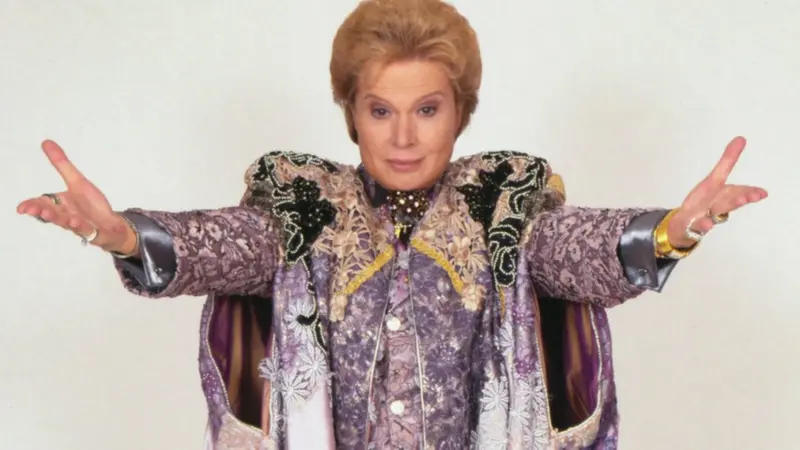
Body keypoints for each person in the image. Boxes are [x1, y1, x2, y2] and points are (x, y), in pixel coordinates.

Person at [16, 0, 767, 448]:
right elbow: (223, 245)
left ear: (460, 112)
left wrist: (669, 232)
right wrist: (122, 236)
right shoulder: (303, 208)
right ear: (352, 114)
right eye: (381, 111)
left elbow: (574, 251)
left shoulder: (501, 204)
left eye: (427, 109)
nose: (404, 137)